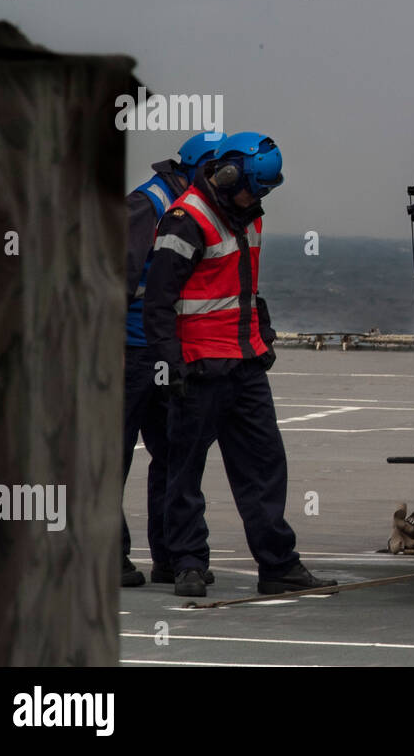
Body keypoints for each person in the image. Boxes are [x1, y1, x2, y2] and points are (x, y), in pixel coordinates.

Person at [144, 131, 337, 598]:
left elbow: (242, 288)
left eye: (264, 191)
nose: (256, 198)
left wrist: (261, 335)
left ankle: (278, 566)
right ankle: (188, 564)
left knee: (266, 466)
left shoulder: (249, 215)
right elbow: (158, 304)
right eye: (252, 187)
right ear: (227, 174)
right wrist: (170, 366)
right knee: (184, 470)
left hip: (245, 366)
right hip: (199, 368)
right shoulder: (185, 220)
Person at [121, 130, 222, 588]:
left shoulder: (195, 207)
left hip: (165, 350)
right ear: (198, 170)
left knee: (177, 458)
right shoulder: (149, 204)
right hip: (129, 350)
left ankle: (173, 557)